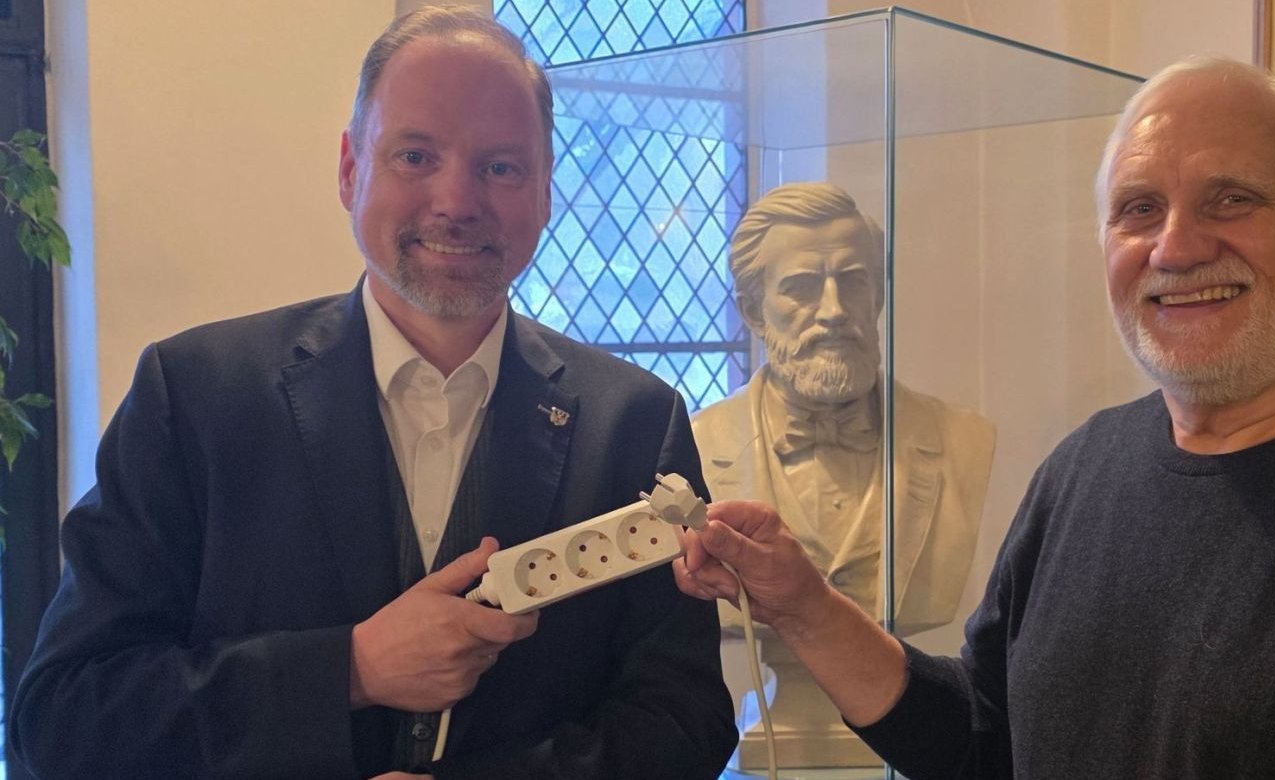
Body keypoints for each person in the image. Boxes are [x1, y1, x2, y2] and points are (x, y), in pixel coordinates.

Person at [674, 56, 1275, 778]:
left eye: (1233, 199)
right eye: (1139, 208)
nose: (1176, 246)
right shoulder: (1083, 470)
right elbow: (984, 739)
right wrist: (803, 605)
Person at [9, 6, 735, 779]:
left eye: (500, 166)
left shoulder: (636, 421)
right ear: (352, 169)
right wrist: (347, 670)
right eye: (416, 155)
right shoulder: (192, 397)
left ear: (545, 192)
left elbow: (683, 718)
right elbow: (64, 718)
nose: (456, 200)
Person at [690, 182, 996, 767]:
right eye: (802, 287)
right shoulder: (698, 446)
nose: (833, 310)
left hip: (909, 737)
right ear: (754, 310)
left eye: (853, 281)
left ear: (878, 297)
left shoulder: (962, 440)